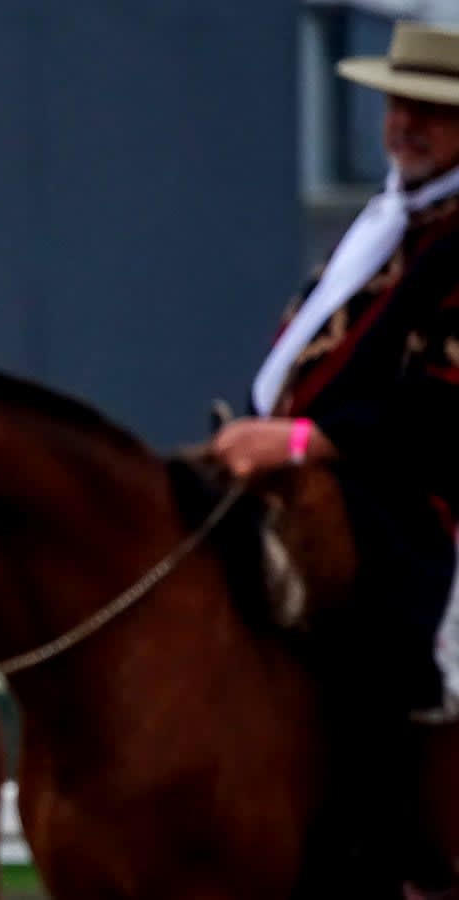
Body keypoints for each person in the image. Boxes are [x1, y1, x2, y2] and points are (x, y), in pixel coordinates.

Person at [217, 21, 459, 722]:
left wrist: (300, 441)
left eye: (433, 112)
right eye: (397, 107)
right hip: (326, 473)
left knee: (372, 660)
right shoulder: (391, 221)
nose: (406, 126)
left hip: (417, 502)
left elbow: (440, 414)